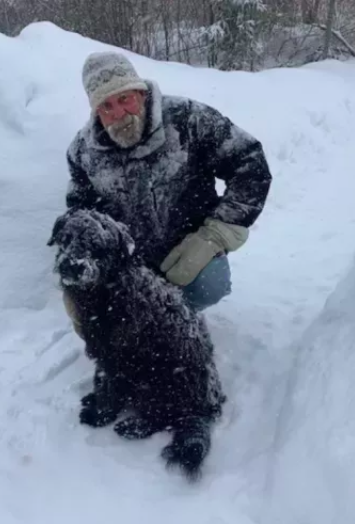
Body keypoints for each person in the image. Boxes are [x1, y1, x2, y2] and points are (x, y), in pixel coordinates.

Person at [61, 51, 272, 338]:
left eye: (125, 98)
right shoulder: (83, 153)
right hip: (128, 260)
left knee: (207, 285)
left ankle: (177, 320)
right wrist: (81, 281)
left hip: (190, 247)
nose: (119, 113)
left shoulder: (189, 120)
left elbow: (249, 164)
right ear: (96, 111)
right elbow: (82, 214)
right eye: (106, 106)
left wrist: (215, 235)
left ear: (140, 91)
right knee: (103, 317)